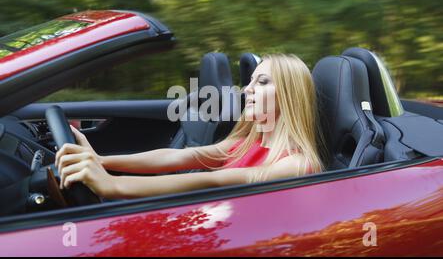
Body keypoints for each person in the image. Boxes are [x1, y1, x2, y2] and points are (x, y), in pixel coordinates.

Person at [55, 54, 327, 199]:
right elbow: (179, 156)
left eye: (263, 82)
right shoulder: (244, 144)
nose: (247, 90)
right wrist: (103, 162)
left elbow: (212, 180)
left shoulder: (298, 164)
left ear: (291, 95)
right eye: (251, 81)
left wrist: (113, 186)